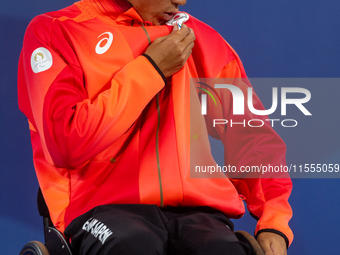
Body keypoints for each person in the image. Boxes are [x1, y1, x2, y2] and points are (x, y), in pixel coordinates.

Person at [18, 0, 293, 254]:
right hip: (101, 209)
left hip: (200, 214)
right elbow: (66, 142)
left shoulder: (205, 41)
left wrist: (274, 221)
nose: (182, 1)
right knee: (134, 246)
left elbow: (252, 137)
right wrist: (152, 69)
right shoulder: (58, 31)